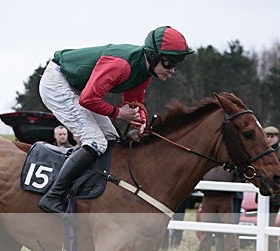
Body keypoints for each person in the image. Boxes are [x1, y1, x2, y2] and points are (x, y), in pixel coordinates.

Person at [36, 25, 194, 218]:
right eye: (169, 63)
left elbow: (133, 102)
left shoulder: (145, 71)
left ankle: (91, 191)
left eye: (176, 64)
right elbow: (88, 99)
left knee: (111, 137)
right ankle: (53, 195)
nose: (173, 71)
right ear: (153, 56)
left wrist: (140, 119)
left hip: (79, 87)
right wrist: (118, 113)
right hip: (58, 82)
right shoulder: (122, 65)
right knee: (96, 142)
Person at [197, 166, 239, 251]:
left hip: (225, 197)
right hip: (208, 196)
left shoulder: (229, 163)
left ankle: (232, 250)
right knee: (206, 223)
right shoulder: (207, 161)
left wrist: (232, 189)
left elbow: (237, 176)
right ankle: (204, 249)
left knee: (228, 224)